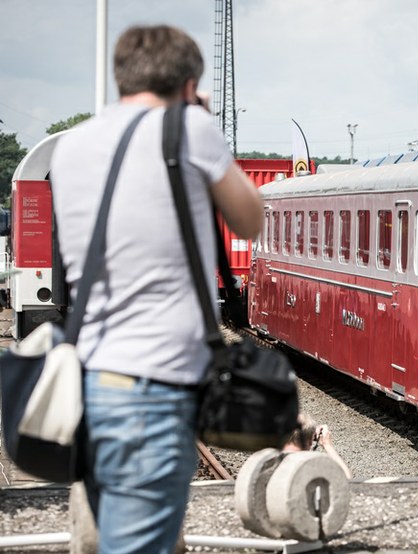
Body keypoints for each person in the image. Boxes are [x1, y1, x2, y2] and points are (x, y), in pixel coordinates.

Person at [49, 25, 264, 553]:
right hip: (155, 386)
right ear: (189, 83)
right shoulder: (191, 129)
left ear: (122, 78)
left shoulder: (71, 146)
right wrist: (202, 120)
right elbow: (250, 219)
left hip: (90, 382)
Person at [284, 414, 353, 479]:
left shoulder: (275, 459)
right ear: (310, 443)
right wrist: (327, 445)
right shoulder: (307, 471)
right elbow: (347, 482)